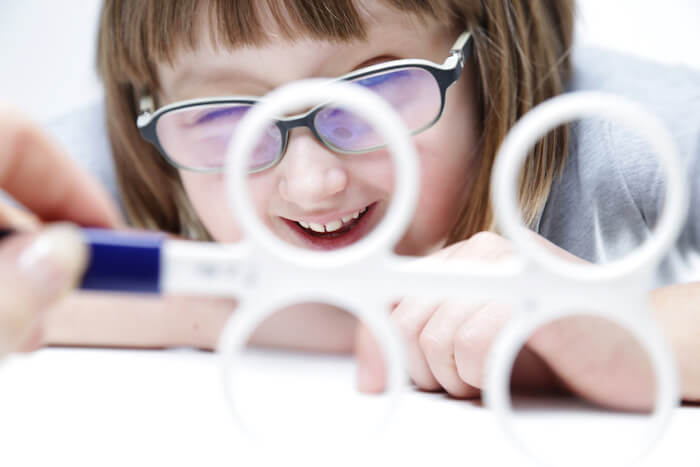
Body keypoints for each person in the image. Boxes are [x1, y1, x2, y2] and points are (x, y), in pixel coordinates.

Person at [9, 0, 700, 410]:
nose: (312, 185)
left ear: (489, 57)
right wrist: (237, 304)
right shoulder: (138, 141)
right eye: (229, 117)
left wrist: (627, 335)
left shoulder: (617, 128)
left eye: (373, 91)